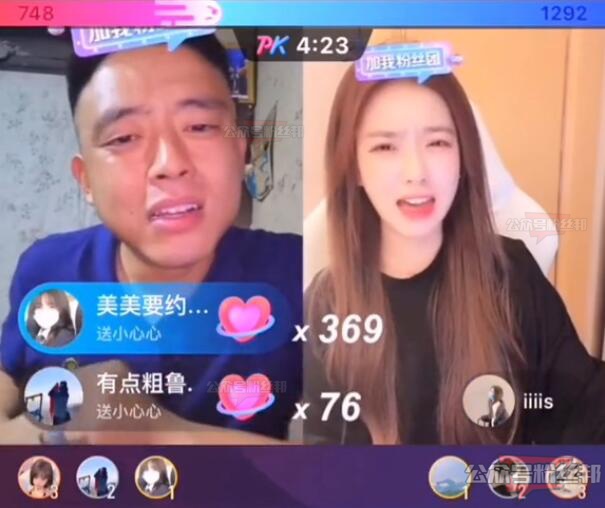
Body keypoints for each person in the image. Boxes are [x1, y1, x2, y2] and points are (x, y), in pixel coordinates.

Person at [0, 32, 301, 443]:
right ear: (86, 181)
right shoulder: (47, 269)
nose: (170, 163)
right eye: (124, 138)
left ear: (240, 150)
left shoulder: (301, 274)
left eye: (199, 126)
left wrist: (156, 432)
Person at [303, 60, 605, 445]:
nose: (416, 172)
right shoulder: (323, 308)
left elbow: (584, 410)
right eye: (385, 146)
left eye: (438, 143)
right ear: (354, 166)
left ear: (463, 156)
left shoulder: (510, 273)